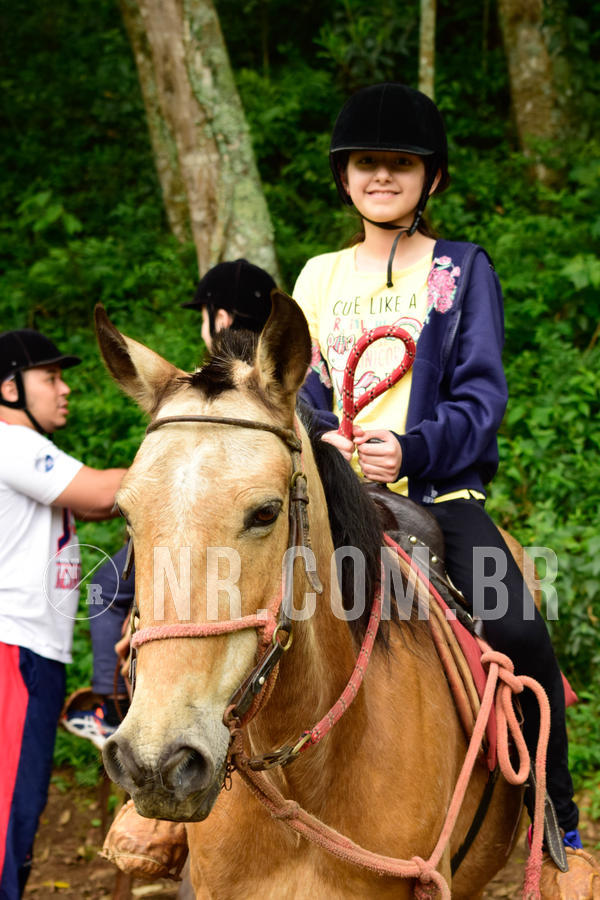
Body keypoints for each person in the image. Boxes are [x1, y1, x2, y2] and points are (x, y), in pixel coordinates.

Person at [293, 83, 586, 865]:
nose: (382, 176)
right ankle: (176, 798)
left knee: (519, 628)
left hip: (438, 493)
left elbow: (482, 395)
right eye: (366, 162)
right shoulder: (317, 275)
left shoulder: (461, 268)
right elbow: (298, 386)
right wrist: (325, 439)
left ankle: (556, 820)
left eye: (401, 163)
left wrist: (411, 449)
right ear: (344, 175)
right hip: (331, 494)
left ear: (433, 177)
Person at [62, 258, 278, 748]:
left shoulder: (202, 386)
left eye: (203, 315)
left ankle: (110, 700)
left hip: (201, 524)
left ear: (219, 318)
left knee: (106, 586)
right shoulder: (286, 381)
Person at [0, 328, 127, 899]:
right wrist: (185, 457)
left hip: (31, 654)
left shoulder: (24, 451)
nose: (64, 388)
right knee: (9, 817)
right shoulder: (12, 443)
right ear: (9, 389)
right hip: (13, 651)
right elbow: (101, 494)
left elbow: (93, 507)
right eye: (49, 377)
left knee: (22, 812)